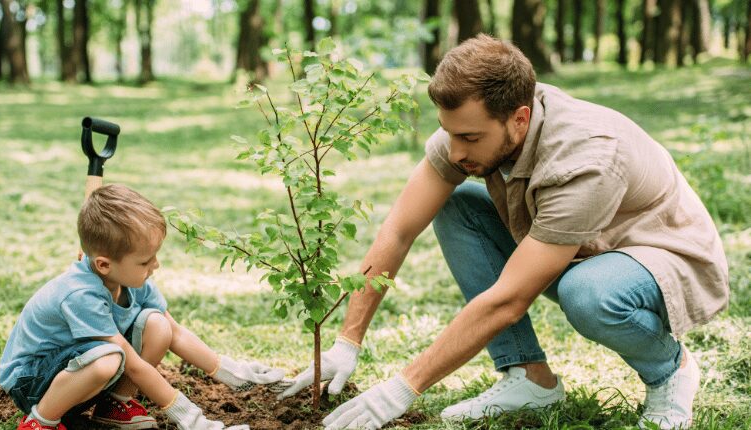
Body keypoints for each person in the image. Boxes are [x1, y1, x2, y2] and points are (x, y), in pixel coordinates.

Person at [279, 35, 729, 430]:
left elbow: (510, 300)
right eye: (448, 133)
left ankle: (670, 371)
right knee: (457, 206)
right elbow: (398, 229)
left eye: (470, 139)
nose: (455, 152)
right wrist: (347, 341)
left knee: (586, 292)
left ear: (519, 118)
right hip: (580, 245)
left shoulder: (586, 159)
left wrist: (402, 387)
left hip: (660, 257)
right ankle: (529, 379)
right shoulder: (469, 130)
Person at [0, 184, 285, 430]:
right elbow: (133, 366)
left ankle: (114, 406)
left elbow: (175, 332)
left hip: (75, 371)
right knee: (108, 358)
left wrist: (231, 372)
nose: (155, 265)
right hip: (32, 381)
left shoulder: (131, 279)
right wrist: (192, 419)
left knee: (157, 325)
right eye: (145, 261)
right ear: (103, 264)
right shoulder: (80, 294)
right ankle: (40, 421)